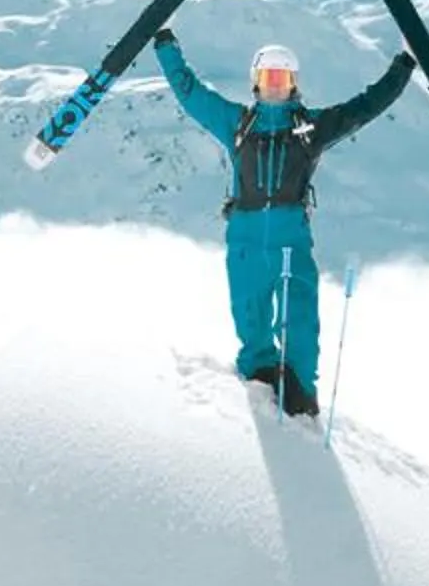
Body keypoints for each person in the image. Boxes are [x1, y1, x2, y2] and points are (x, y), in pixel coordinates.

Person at [153, 29, 414, 418]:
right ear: (255, 82)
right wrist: (166, 46)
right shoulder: (238, 124)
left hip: (292, 237)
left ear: (294, 84)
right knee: (250, 314)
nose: (275, 87)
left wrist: (404, 65)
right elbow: (191, 93)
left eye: (283, 79)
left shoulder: (310, 129)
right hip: (245, 236)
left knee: (300, 320)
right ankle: (257, 381)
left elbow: (366, 106)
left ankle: (300, 392)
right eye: (267, 79)